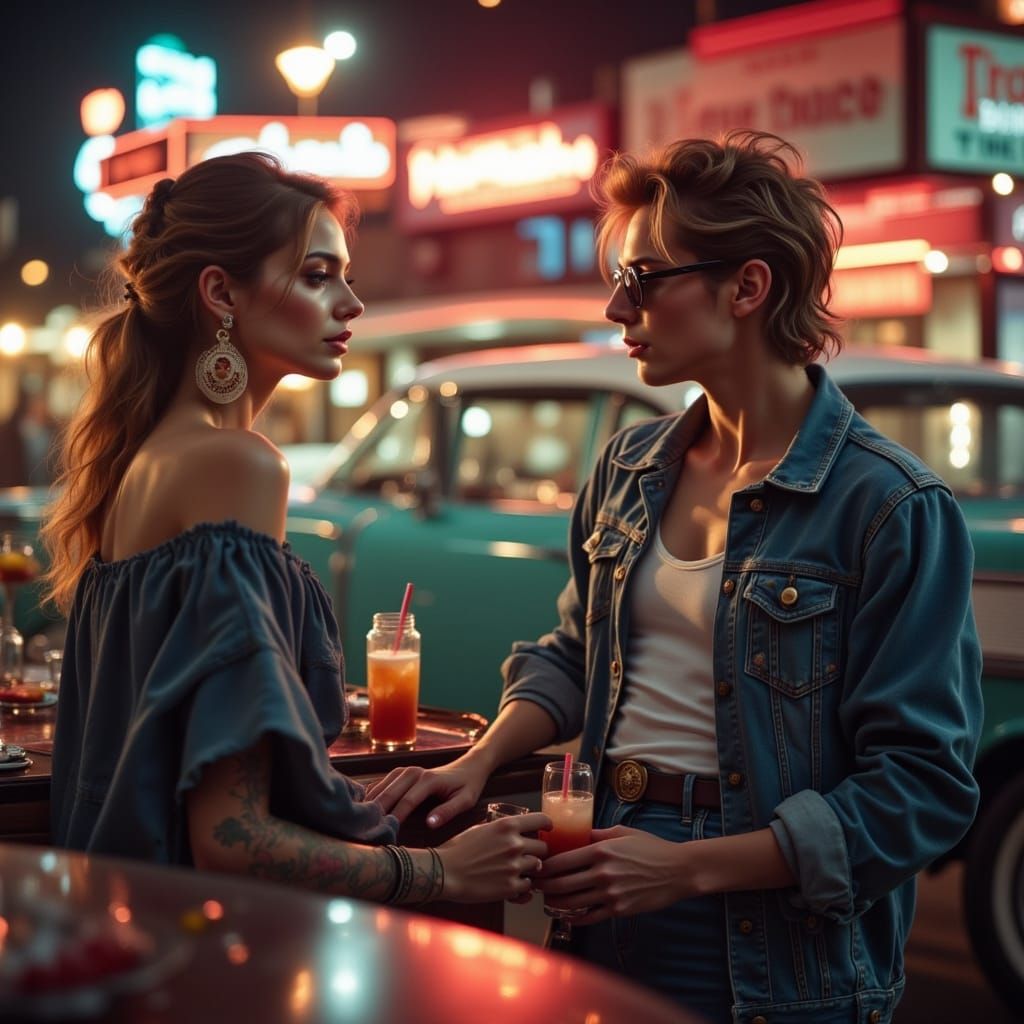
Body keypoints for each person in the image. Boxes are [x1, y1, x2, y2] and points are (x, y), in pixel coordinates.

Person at [367, 131, 984, 1022]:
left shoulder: (888, 505)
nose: (619, 308)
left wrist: (685, 865)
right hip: (599, 873)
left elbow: (923, 789)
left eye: (643, 279)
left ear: (748, 285)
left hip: (770, 933)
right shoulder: (629, 466)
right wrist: (481, 759)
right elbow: (577, 653)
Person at [41, 152, 548, 908]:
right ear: (220, 292)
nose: (351, 303)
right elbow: (234, 839)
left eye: (345, 275)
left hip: (124, 924)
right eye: (317, 275)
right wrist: (444, 872)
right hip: (208, 942)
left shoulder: (139, 462)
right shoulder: (236, 462)